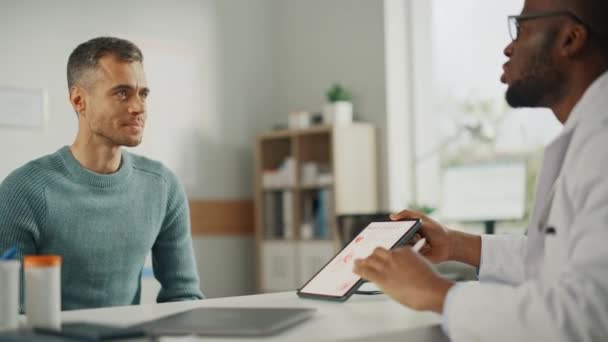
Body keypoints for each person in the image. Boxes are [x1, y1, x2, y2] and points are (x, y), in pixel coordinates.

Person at [354, 0, 608, 340]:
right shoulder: (588, 135)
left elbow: (588, 316)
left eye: (521, 29)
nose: (508, 46)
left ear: (570, 39)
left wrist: (436, 293)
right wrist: (456, 244)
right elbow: (555, 259)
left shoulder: (601, 142)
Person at [0, 37, 203, 311]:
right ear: (78, 100)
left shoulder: (163, 186)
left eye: (143, 94)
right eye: (122, 93)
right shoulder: (22, 191)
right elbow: (11, 313)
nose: (138, 107)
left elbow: (184, 296)